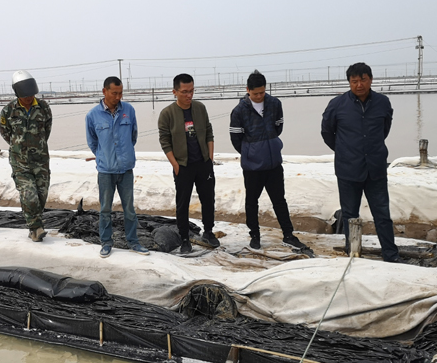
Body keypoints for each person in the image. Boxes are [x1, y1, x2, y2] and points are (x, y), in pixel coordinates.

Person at [320, 62, 400, 262]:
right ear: (349, 82)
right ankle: (353, 253)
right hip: (348, 170)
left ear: (370, 80)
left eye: (363, 80)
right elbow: (327, 132)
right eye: (354, 81)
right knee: (350, 215)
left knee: (382, 214)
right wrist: (344, 150)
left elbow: (384, 130)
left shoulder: (382, 102)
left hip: (376, 168)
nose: (359, 85)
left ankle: (390, 255)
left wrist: (371, 148)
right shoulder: (337, 105)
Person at [229, 70, 309, 251]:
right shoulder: (239, 111)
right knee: (252, 201)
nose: (259, 96)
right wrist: (250, 152)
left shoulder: (275, 104)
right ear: (248, 90)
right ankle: (254, 235)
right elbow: (235, 138)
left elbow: (278, 126)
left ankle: (288, 234)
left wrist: (269, 144)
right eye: (255, 93)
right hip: (252, 166)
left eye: (262, 92)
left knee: (279, 200)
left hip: (273, 163)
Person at [85, 77, 150, 258]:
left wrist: (125, 154)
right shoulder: (92, 115)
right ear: (104, 91)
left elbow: (133, 136)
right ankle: (106, 243)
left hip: (126, 169)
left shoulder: (129, 110)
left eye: (120, 93)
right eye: (114, 93)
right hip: (106, 170)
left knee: (129, 208)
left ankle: (133, 242)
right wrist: (104, 155)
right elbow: (93, 142)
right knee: (105, 209)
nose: (118, 97)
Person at [158, 73, 219, 254]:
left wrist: (210, 158)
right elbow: (165, 141)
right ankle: (184, 238)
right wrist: (175, 165)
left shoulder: (200, 108)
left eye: (191, 91)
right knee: (183, 202)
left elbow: (209, 132)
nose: (189, 95)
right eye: (184, 92)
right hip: (183, 166)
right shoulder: (167, 114)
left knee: (208, 199)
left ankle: (208, 231)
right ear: (175, 92)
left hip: (203, 163)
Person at [0, 70, 52, 242]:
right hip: (20, 161)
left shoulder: (43, 108)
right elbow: (6, 133)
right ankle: (36, 228)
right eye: (25, 95)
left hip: (41, 160)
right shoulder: (8, 111)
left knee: (41, 194)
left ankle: (34, 225)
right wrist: (20, 146)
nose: (29, 98)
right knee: (29, 195)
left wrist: (37, 146)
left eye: (31, 95)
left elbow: (46, 130)